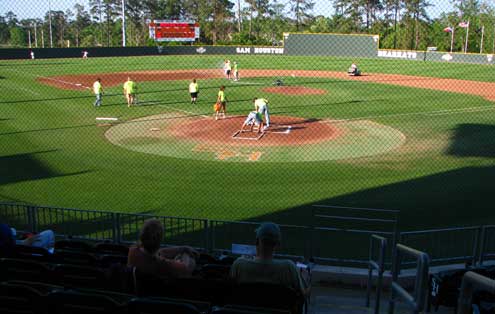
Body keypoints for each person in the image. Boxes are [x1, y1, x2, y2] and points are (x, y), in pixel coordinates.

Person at [230, 222, 310, 297]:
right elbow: (304, 294)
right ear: (278, 244)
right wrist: (306, 279)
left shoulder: (239, 264)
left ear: (257, 241)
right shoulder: (289, 268)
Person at [127, 218, 198, 278]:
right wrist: (187, 255)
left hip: (139, 291)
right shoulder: (163, 265)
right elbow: (187, 269)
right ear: (160, 239)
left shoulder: (133, 251)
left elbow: (158, 252)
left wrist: (183, 248)